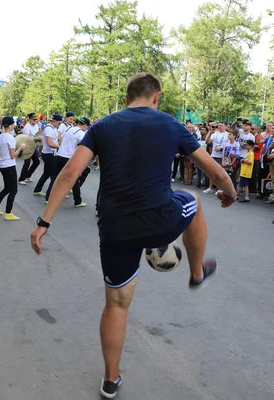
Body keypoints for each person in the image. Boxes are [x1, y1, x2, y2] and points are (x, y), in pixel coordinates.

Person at [29, 72, 236, 399]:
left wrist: (44, 222)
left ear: (127, 98)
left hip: (115, 226)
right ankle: (196, 273)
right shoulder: (171, 124)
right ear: (157, 97)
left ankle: (111, 380)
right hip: (159, 218)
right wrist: (229, 191)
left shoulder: (102, 126)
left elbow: (70, 173)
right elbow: (216, 171)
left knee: (116, 302)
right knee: (194, 201)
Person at [45, 117, 90, 207]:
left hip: (60, 155)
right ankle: (77, 201)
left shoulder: (68, 128)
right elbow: (80, 147)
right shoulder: (81, 133)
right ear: (84, 125)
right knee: (74, 179)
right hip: (69, 157)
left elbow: (60, 139)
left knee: (55, 177)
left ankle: (48, 197)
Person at [0, 116, 27, 221]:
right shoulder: (10, 137)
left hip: (2, 165)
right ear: (11, 125)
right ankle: (8, 212)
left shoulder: (0, 137)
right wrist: (21, 149)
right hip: (9, 165)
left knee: (7, 188)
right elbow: (13, 155)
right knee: (13, 190)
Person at [33, 114, 62, 196]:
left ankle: (37, 189)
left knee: (47, 173)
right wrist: (60, 147)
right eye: (59, 123)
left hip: (51, 153)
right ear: (55, 121)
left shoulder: (53, 128)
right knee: (53, 174)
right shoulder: (49, 128)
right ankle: (51, 193)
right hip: (49, 154)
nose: (59, 125)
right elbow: (50, 143)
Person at [18, 113, 41, 184]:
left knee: (37, 161)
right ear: (30, 119)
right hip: (27, 146)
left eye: (36, 119)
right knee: (27, 163)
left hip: (33, 146)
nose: (35, 121)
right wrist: (36, 138)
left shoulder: (36, 125)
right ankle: (21, 179)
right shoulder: (27, 127)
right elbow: (27, 138)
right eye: (34, 119)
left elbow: (37, 134)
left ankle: (28, 175)